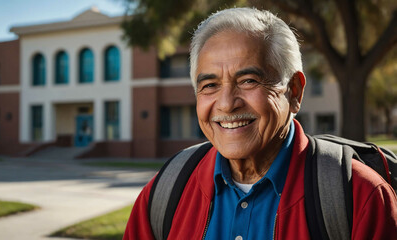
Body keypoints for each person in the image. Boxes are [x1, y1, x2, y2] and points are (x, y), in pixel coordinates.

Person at [124, 7, 397, 240]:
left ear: (294, 92)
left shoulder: (360, 197)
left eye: (248, 81)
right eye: (210, 85)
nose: (227, 103)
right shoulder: (165, 192)